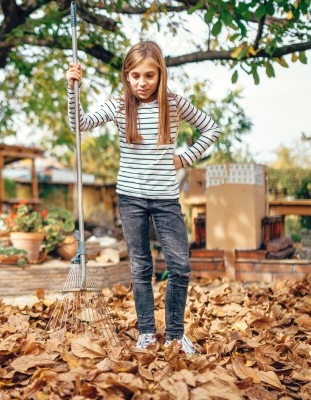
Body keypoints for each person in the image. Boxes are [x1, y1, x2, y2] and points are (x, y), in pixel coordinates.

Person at [66, 41, 220, 355]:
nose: (142, 82)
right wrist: (73, 89)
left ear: (160, 74)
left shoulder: (174, 105)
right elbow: (78, 125)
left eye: (149, 75)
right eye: (135, 75)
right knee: (140, 268)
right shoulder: (120, 105)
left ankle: (176, 334)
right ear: (126, 76)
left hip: (165, 197)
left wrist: (184, 158)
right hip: (131, 197)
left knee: (180, 266)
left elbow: (211, 128)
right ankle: (147, 333)